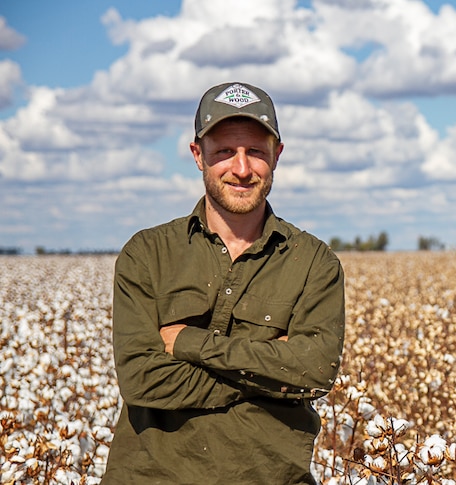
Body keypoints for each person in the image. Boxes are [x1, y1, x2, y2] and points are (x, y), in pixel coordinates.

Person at [103, 82, 345, 484]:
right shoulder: (146, 254)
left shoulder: (314, 263)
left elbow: (314, 370)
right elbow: (142, 381)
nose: (242, 168)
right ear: (197, 155)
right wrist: (271, 369)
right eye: (224, 152)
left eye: (256, 152)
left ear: (277, 155)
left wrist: (187, 343)